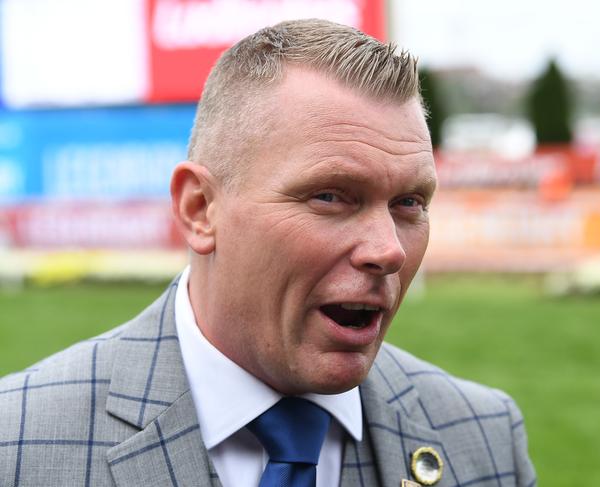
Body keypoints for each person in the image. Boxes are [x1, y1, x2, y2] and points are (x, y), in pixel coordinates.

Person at [0, 19, 535, 487]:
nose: (388, 250)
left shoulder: (482, 438)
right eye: (330, 196)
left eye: (409, 202)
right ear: (200, 208)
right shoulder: (18, 444)